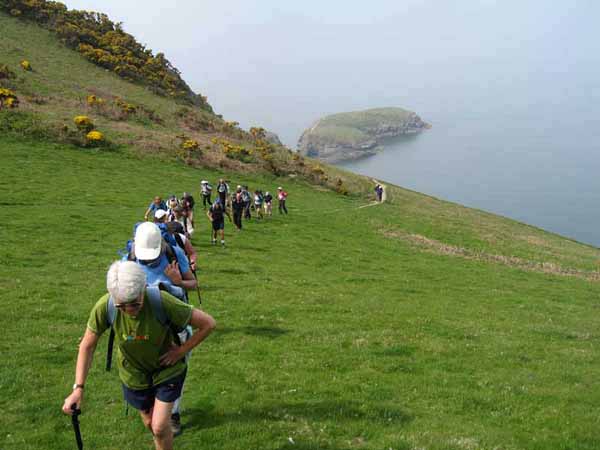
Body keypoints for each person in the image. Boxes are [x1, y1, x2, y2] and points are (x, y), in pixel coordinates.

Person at [61, 261, 215, 450]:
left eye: (135, 304)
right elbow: (87, 345)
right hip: (134, 376)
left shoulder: (161, 301)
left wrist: (181, 351)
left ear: (143, 288)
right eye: (122, 306)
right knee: (150, 423)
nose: (129, 311)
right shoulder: (106, 306)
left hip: (167, 370)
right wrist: (78, 388)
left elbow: (208, 324)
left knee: (159, 427)